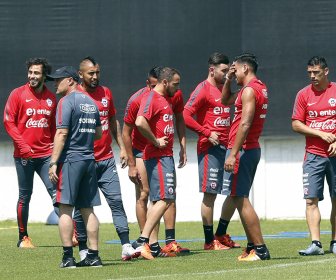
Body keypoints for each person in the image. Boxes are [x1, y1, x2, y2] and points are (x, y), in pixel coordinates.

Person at [72, 56, 138, 262]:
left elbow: (111, 120)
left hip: (106, 159)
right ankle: (83, 248)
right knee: (83, 208)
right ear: (80, 74)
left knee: (116, 201)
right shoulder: (73, 96)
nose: (95, 76)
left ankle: (126, 245)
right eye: (91, 73)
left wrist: (123, 149)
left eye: (97, 72)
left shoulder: (106, 92)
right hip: (84, 161)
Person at [123, 67, 189, 257]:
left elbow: (177, 119)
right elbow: (139, 122)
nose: (178, 88)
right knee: (164, 198)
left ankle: (147, 242)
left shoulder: (166, 98)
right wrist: (155, 141)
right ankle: (143, 240)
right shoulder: (152, 98)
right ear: (165, 82)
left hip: (163, 154)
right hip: (158, 155)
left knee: (162, 198)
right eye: (175, 84)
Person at [292, 56, 336, 256]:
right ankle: (316, 244)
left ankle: (335, 242)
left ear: (326, 71)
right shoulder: (303, 94)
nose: (312, 76)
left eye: (316, 72)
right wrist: (320, 133)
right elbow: (296, 124)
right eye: (309, 72)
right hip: (313, 156)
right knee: (311, 200)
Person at [47, 66, 103, 268]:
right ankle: (94, 255)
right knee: (88, 209)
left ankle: (68, 257)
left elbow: (61, 133)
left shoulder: (65, 101)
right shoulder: (90, 101)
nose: (55, 83)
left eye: (58, 79)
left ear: (70, 80)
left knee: (65, 209)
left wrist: (53, 162)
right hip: (89, 159)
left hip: (71, 160)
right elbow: (98, 134)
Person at [183, 52, 239, 250]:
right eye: (223, 71)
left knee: (235, 191)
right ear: (211, 69)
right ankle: (209, 241)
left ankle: (221, 234)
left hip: (229, 147)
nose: (226, 74)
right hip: (210, 149)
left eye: (227, 71)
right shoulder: (203, 89)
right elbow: (186, 115)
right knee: (210, 194)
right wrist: (206, 132)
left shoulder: (225, 87)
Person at [221, 52, 270, 261]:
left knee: (240, 199)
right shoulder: (257, 87)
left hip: (243, 150)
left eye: (235, 69)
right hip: (249, 149)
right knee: (238, 196)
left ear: (245, 69)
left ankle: (260, 249)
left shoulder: (250, 90)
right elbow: (225, 100)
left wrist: (233, 154)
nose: (233, 71)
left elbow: (245, 123)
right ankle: (252, 246)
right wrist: (228, 79)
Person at [3, 58, 58, 248]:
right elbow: (8, 122)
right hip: (24, 156)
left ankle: (74, 234)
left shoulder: (51, 98)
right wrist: (23, 146)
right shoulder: (17, 94)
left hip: (46, 156)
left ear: (44, 76)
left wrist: (54, 152)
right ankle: (23, 237)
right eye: (30, 72)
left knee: (57, 194)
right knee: (25, 196)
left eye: (36, 73)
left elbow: (53, 128)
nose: (32, 76)